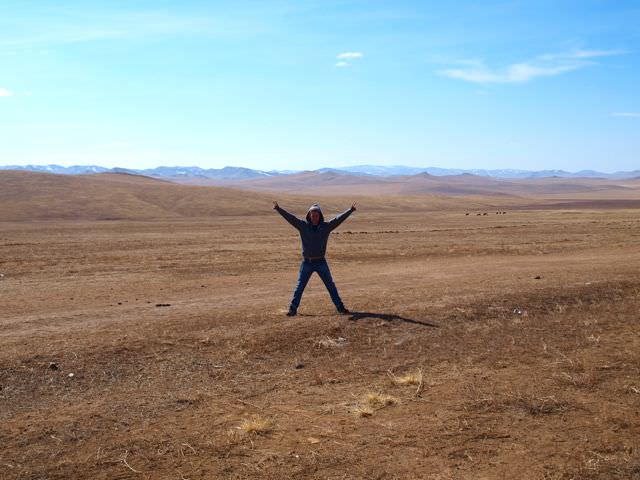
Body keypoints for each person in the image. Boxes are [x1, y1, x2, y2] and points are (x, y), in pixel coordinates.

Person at [273, 201, 356, 316]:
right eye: (312, 214)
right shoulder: (303, 226)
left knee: (330, 286)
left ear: (320, 215)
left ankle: (340, 308)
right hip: (307, 262)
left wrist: (350, 210)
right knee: (299, 287)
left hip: (321, 261)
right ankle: (293, 309)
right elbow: (291, 218)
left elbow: (338, 220)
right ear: (309, 215)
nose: (314, 216)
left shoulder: (326, 227)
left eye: (316, 214)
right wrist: (278, 209)